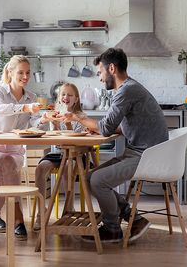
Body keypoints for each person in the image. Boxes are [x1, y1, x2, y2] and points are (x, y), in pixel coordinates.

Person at [61, 48, 168, 243]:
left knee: (98, 180)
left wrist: (78, 116)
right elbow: (124, 125)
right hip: (143, 152)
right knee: (89, 177)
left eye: (100, 72)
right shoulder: (130, 88)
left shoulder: (126, 90)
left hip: (147, 156)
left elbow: (105, 127)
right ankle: (133, 217)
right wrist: (111, 129)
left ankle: (112, 229)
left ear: (111, 68)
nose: (100, 79)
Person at [0, 55, 41, 240]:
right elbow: (0, 109)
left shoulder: (31, 97)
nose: (25, 76)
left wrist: (44, 118)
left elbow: (33, 122)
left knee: (8, 164)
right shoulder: (0, 91)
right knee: (7, 162)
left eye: (28, 72)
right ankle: (18, 217)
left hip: (15, 152)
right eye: (21, 72)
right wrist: (26, 108)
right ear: (10, 73)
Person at [31, 83, 86, 230]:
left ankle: (68, 210)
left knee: (68, 166)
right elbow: (54, 140)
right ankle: (40, 213)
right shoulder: (55, 113)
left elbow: (79, 140)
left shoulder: (80, 117)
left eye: (70, 95)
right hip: (58, 154)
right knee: (40, 168)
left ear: (76, 99)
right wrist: (53, 124)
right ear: (59, 98)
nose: (66, 97)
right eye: (63, 94)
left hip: (76, 155)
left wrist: (68, 123)